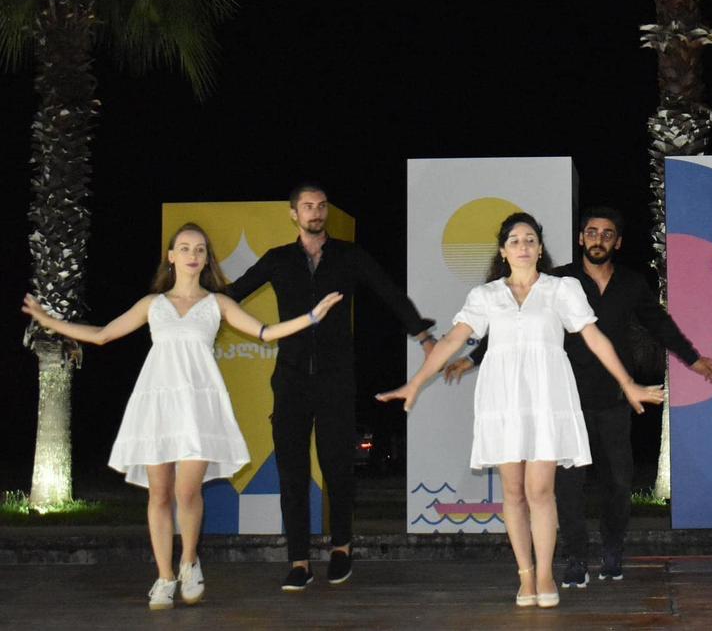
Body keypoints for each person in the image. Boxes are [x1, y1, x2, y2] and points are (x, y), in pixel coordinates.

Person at [21, 223, 341, 610]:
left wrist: (312, 316)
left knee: (187, 492)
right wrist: (48, 321)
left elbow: (266, 332)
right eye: (185, 248)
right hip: (157, 406)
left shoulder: (217, 303)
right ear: (171, 257)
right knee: (159, 493)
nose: (193, 254)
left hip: (198, 408)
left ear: (206, 259)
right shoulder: (152, 304)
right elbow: (103, 334)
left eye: (200, 249)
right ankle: (164, 576)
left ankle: (189, 562)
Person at [377, 212, 664, 608]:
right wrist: (416, 382)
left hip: (548, 397)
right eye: (515, 240)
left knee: (541, 490)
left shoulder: (561, 289)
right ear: (503, 251)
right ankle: (525, 576)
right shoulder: (486, 296)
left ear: (540, 248)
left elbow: (595, 337)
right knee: (513, 492)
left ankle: (545, 574)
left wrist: (627, 383)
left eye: (530, 239)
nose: (523, 246)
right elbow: (453, 341)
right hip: (503, 400)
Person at [446, 206, 712, 587]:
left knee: (619, 482)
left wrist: (693, 358)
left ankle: (612, 550)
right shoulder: (559, 281)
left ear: (617, 242)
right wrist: (472, 359)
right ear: (581, 238)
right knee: (567, 488)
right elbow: (511, 329)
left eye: (607, 234)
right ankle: (575, 558)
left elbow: (660, 324)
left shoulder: (631, 284)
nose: (598, 239)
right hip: (563, 402)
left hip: (613, 400)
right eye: (592, 232)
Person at [223, 184, 436, 591]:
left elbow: (389, 293)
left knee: (338, 466)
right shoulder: (278, 259)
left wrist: (423, 336)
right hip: (290, 379)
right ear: (294, 213)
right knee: (292, 471)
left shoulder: (349, 256)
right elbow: (232, 295)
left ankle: (341, 548)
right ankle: (299, 561)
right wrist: (186, 301)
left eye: (321, 206)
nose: (315, 212)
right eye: (307, 206)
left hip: (336, 379)